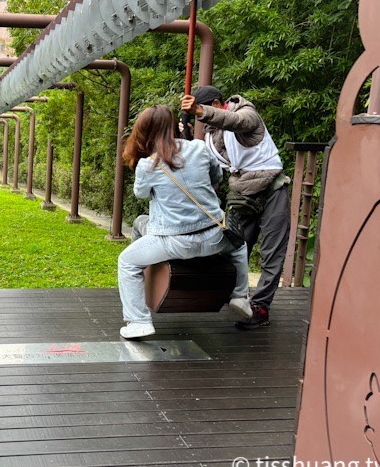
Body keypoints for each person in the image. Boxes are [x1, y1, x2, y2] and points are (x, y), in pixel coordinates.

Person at [118, 105, 252, 340]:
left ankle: (139, 319)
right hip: (214, 237)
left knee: (127, 261)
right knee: (239, 244)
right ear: (174, 126)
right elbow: (216, 178)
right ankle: (240, 296)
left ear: (144, 131)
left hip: (173, 242)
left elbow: (140, 194)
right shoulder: (199, 148)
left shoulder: (147, 164)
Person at [181, 86, 290, 330]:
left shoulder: (246, 112)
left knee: (273, 252)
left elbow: (235, 121)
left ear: (218, 104)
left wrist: (199, 110)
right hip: (242, 194)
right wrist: (186, 135)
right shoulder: (211, 135)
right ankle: (235, 298)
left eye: (207, 110)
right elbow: (207, 163)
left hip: (273, 188)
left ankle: (261, 307)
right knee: (234, 246)